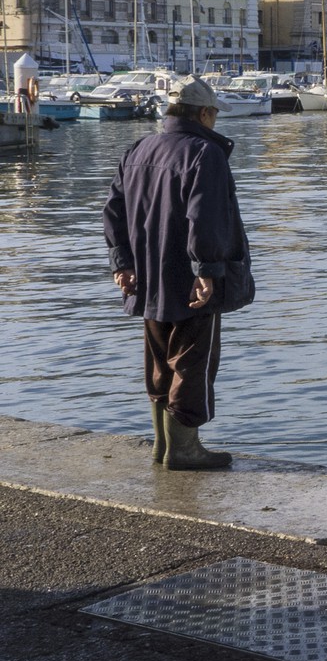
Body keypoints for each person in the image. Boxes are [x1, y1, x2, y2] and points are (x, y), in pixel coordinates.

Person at [103, 76, 254, 471]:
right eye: (216, 114)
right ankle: (185, 449)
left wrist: (122, 263)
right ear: (205, 113)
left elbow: (113, 212)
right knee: (192, 361)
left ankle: (161, 446)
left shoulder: (138, 149)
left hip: (147, 278)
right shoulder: (205, 153)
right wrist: (206, 271)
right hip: (188, 279)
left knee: (157, 361)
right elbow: (203, 217)